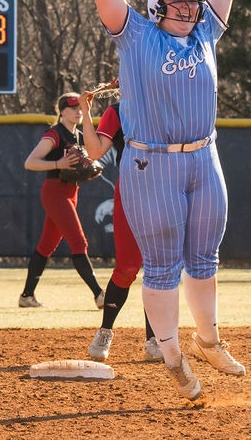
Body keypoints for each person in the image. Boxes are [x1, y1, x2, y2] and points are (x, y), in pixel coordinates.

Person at [93, 0, 244, 401]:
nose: (189, 7)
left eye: (191, 1)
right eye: (178, 2)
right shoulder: (136, 35)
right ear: (158, 7)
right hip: (151, 161)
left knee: (205, 258)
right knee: (161, 265)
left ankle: (210, 341)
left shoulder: (205, 33)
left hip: (205, 157)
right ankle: (173, 357)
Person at [79, 80, 163, 363]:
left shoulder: (166, 107)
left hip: (165, 192)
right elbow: (93, 152)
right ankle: (105, 331)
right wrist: (85, 111)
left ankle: (154, 339)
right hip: (131, 191)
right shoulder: (117, 111)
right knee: (127, 267)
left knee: (158, 269)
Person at [19, 92, 105, 310]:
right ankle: (99, 294)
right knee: (79, 243)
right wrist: (58, 163)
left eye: (80, 108)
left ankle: (27, 296)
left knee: (47, 245)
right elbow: (30, 163)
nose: (77, 111)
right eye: (73, 108)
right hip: (55, 192)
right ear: (62, 111)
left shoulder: (77, 134)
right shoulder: (54, 134)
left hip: (70, 192)